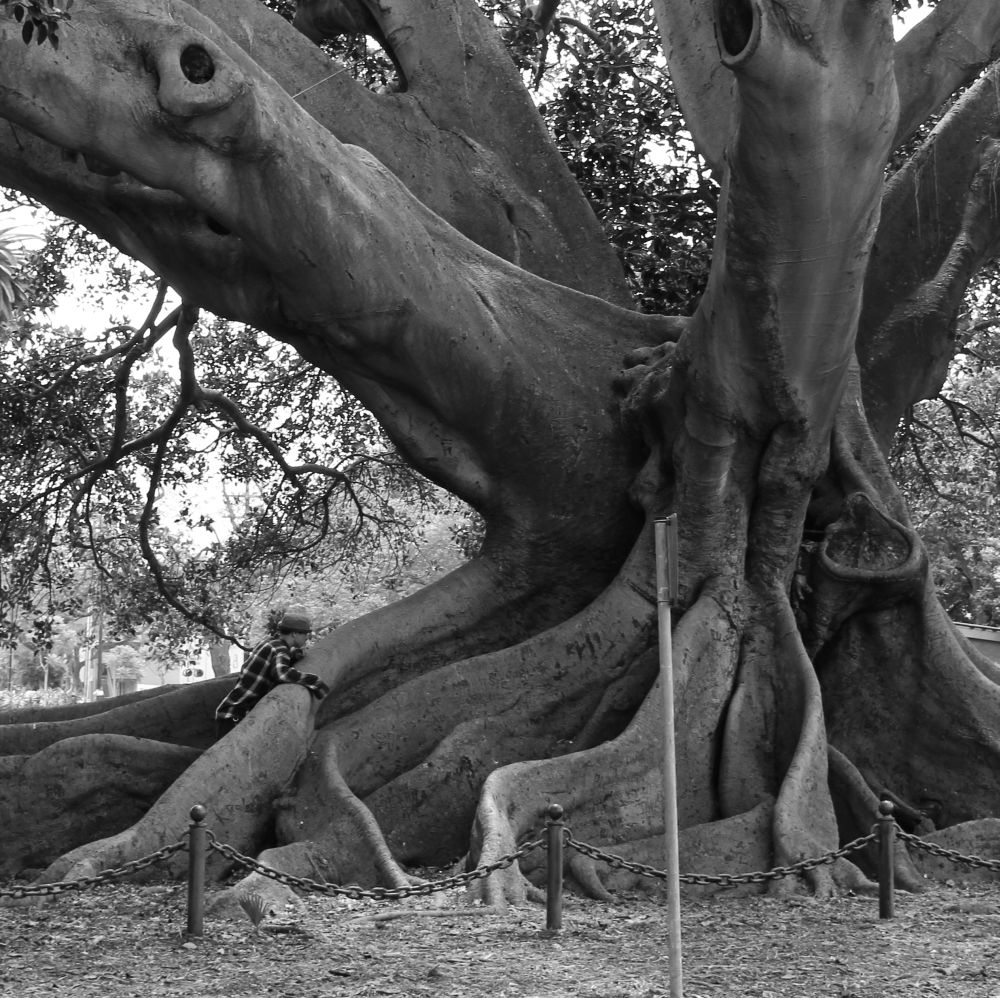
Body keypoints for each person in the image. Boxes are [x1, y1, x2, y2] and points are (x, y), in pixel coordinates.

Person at [215, 607, 330, 738]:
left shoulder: (270, 643)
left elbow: (280, 658)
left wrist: (296, 654)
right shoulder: (280, 649)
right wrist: (315, 681)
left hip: (231, 712)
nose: (307, 638)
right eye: (305, 634)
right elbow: (282, 674)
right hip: (234, 716)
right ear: (294, 634)